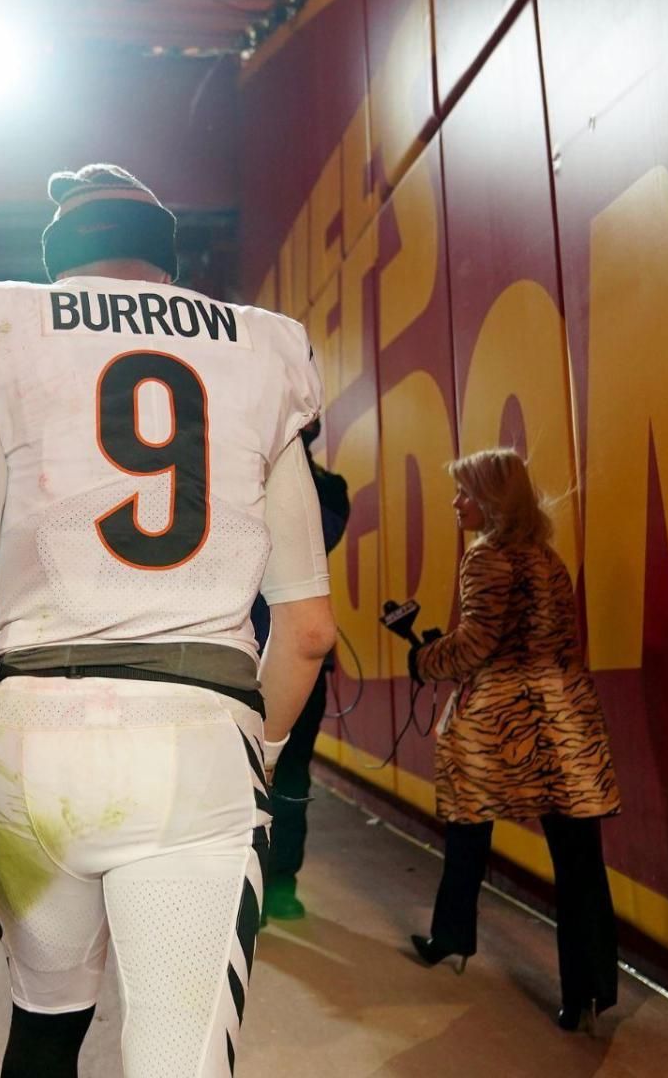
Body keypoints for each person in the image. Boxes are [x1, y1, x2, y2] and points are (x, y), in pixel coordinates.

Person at [0, 164, 338, 1078]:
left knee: (44, 1027)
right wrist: (249, 758)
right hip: (198, 729)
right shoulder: (266, 351)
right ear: (167, 260)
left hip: (35, 738)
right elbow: (306, 628)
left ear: (57, 260)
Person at [405, 447, 622, 1033]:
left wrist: (423, 659)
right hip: (569, 724)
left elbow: (476, 645)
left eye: (465, 493)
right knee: (580, 863)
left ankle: (451, 936)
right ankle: (590, 991)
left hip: (503, 727)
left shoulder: (486, 559)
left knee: (468, 828)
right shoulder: (548, 559)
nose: (456, 503)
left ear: (492, 501)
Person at [260, 419, 351, 921]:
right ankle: (256, 882)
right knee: (266, 773)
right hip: (245, 646)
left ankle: (280, 884)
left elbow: (322, 534)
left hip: (282, 651)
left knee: (288, 773)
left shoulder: (327, 489)